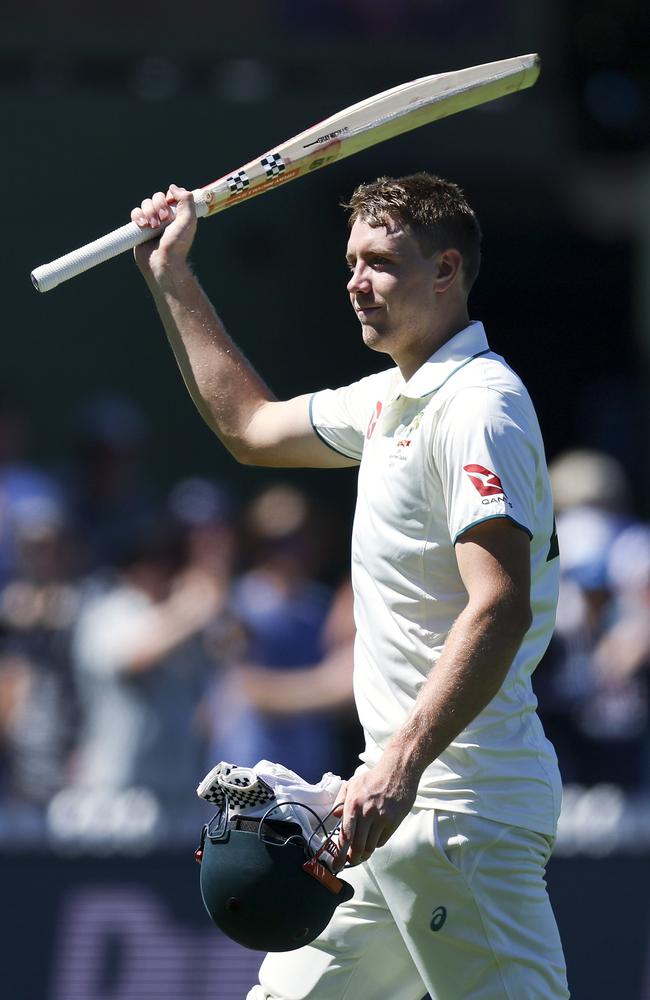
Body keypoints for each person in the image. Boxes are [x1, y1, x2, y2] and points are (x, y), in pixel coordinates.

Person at [131, 173, 569, 999]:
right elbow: (251, 429)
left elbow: (500, 601)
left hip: (458, 810)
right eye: (350, 262)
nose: (355, 283)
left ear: (446, 270)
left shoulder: (481, 404)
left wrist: (400, 763)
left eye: (379, 262)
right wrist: (174, 277)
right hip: (383, 810)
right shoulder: (389, 399)